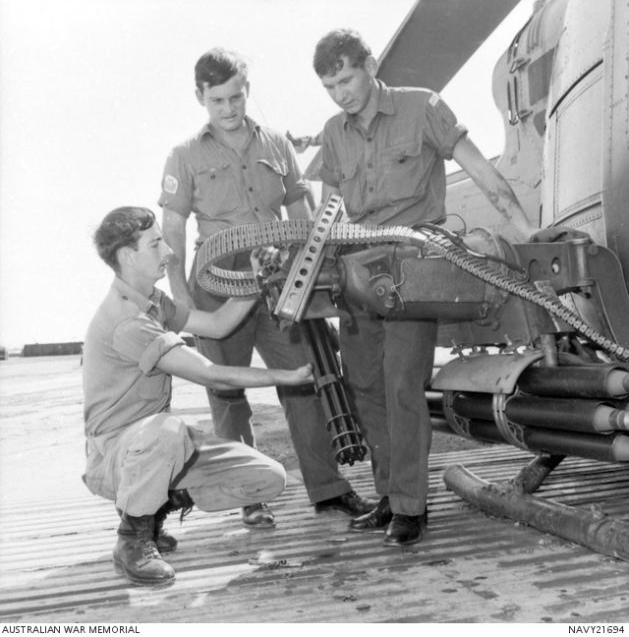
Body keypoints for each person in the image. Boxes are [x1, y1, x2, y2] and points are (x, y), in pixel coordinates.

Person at [312, 29, 535, 546]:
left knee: (401, 387)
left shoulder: (423, 108)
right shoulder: (332, 132)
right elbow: (327, 211)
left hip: (413, 271)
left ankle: (412, 508)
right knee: (365, 386)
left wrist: (524, 233)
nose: (341, 93)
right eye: (330, 86)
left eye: (346, 79)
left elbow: (482, 170)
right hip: (356, 274)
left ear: (369, 65)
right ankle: (388, 496)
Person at [158, 47, 374, 529]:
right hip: (217, 280)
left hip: (278, 276)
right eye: (218, 101)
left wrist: (309, 272)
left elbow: (301, 211)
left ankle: (329, 489)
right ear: (201, 98)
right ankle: (251, 495)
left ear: (247, 90)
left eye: (236, 97)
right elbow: (171, 228)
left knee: (302, 377)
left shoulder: (277, 143)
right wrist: (183, 297)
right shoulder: (184, 155)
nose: (230, 108)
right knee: (228, 393)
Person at [82, 206, 315, 586]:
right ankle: (133, 538)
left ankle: (153, 507)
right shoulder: (128, 321)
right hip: (116, 456)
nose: (169, 253)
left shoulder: (153, 302)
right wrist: (287, 376)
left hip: (154, 448)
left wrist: (258, 278)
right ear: (127, 256)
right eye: (156, 244)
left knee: (268, 478)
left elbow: (218, 325)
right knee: (168, 431)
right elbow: (212, 375)